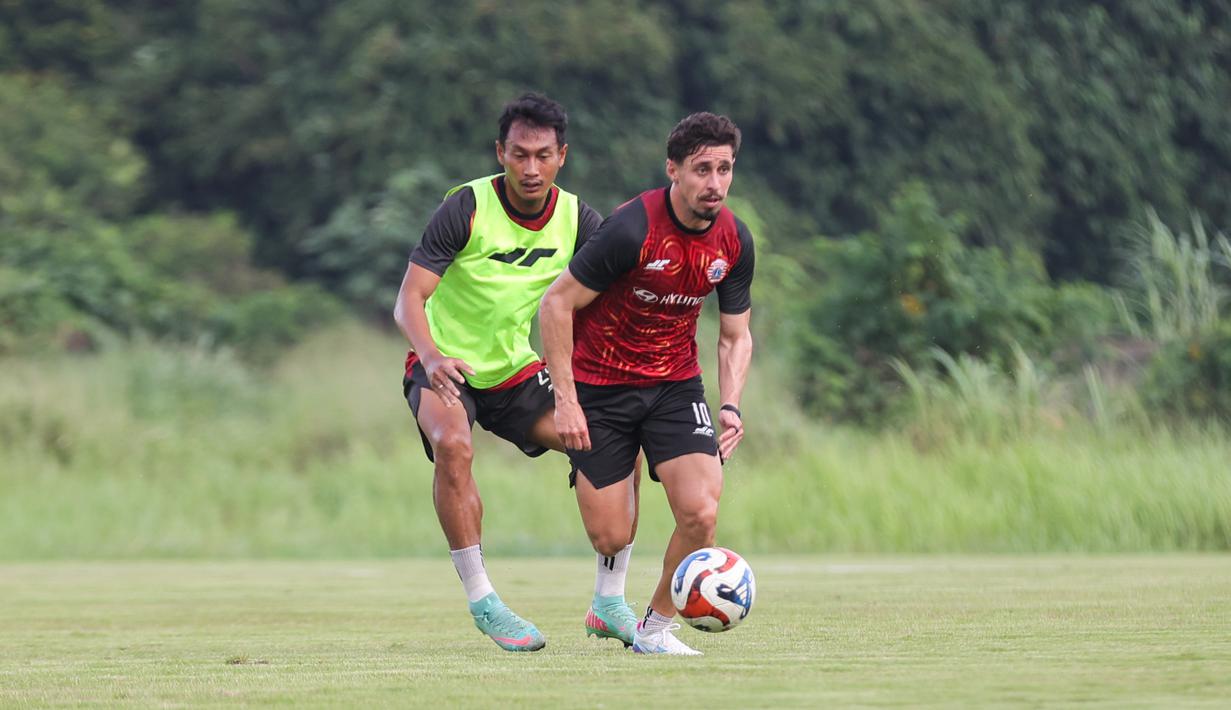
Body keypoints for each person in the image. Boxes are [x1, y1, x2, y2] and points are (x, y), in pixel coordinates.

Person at [393, 93, 640, 653]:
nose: (531, 168)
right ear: (500, 152)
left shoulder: (579, 219)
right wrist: (431, 358)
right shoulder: (466, 208)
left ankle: (609, 602)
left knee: (613, 437)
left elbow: (614, 294)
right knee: (453, 444)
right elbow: (408, 299)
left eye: (543, 156)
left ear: (562, 157)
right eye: (520, 154)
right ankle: (484, 602)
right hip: (444, 364)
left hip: (515, 370)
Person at [540, 112, 754, 656]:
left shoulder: (733, 240)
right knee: (611, 536)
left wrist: (729, 406)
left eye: (724, 169)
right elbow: (556, 304)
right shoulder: (632, 227)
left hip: (674, 386)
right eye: (702, 169)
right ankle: (607, 596)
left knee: (701, 511)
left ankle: (654, 630)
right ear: (673, 170)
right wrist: (566, 402)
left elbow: (734, 336)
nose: (715, 182)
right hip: (600, 388)